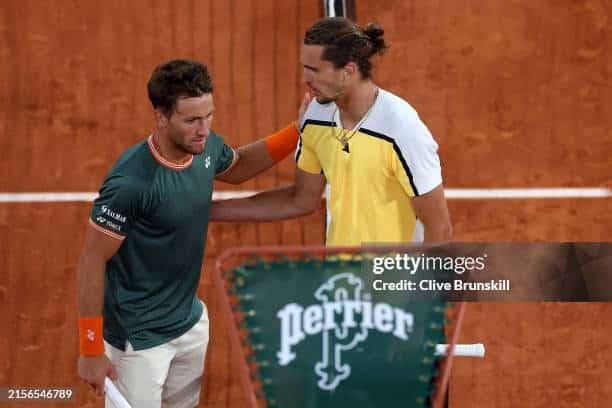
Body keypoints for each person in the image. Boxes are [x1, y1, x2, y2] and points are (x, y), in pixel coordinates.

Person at [76, 59, 307, 407]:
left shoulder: (204, 146)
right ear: (162, 116)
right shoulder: (131, 184)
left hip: (189, 324)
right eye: (191, 120)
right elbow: (92, 260)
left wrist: (296, 131)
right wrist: (92, 349)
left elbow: (240, 166)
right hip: (139, 342)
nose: (203, 129)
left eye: (208, 116)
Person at [210, 17, 452, 244]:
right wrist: (208, 211)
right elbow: (301, 200)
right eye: (305, 67)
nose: (305, 78)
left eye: (315, 69)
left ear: (348, 71)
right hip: (342, 279)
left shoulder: (401, 130)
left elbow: (439, 229)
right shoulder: (316, 116)